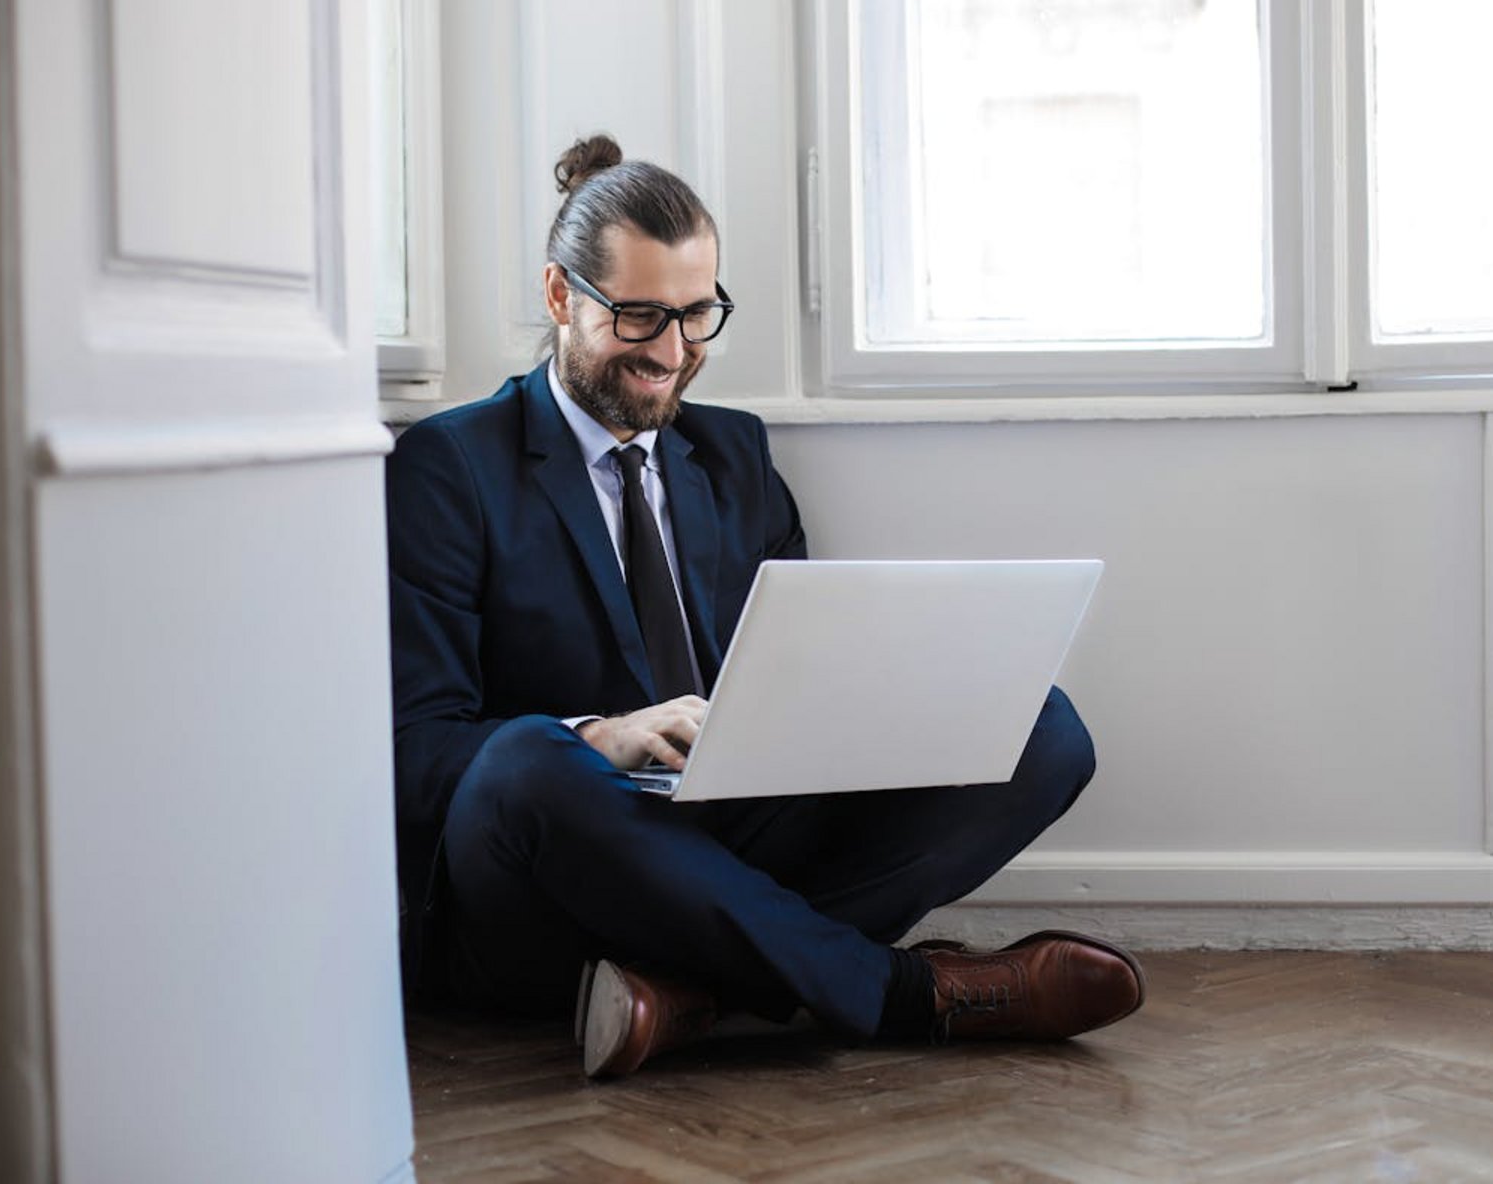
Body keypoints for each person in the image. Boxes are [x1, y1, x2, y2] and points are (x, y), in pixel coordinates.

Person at [385, 133, 1143, 1078]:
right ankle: (897, 995)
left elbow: (799, 673)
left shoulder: (734, 455)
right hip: (550, 871)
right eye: (637, 317)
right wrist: (600, 735)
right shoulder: (451, 466)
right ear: (558, 299)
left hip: (724, 836)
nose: (672, 352)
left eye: (697, 315)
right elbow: (415, 752)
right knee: (529, 759)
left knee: (1041, 731)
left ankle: (691, 995)